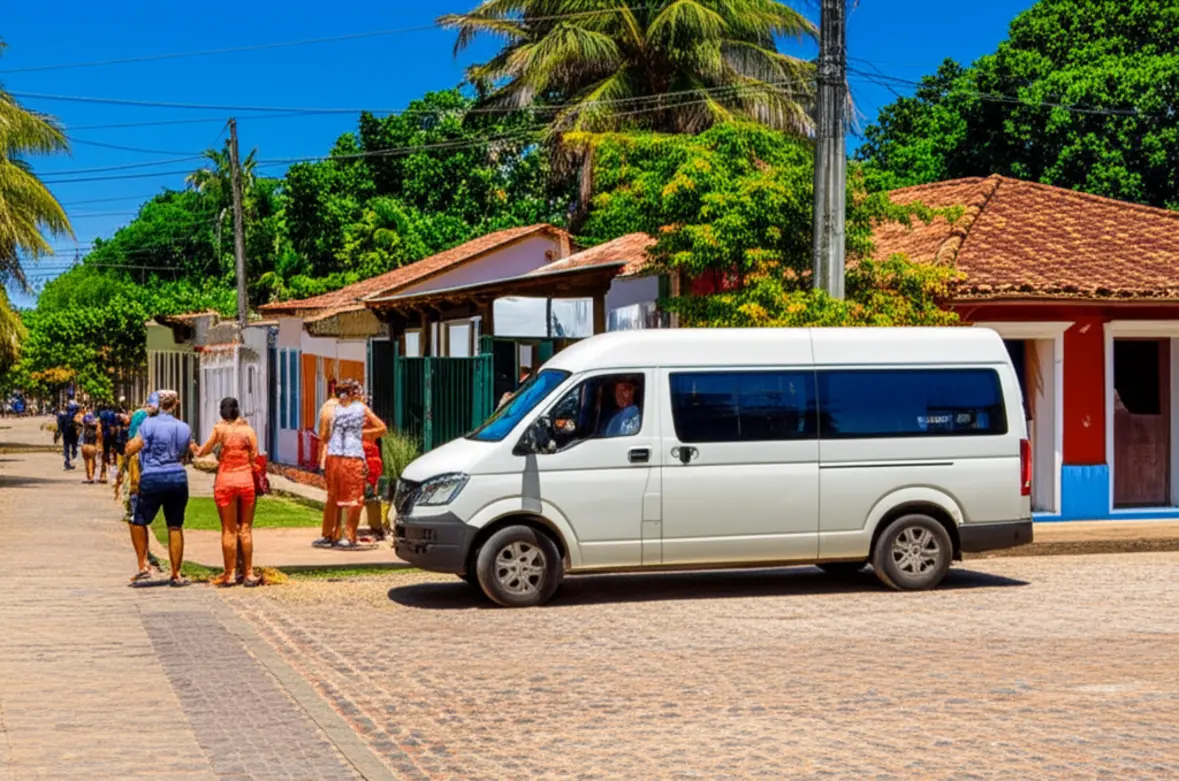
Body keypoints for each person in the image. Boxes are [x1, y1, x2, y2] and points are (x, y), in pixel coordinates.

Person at [124, 390, 194, 587]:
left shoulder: (148, 424)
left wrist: (128, 449)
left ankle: (143, 565)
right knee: (175, 525)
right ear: (176, 404)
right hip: (177, 476)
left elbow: (133, 447)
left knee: (138, 520)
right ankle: (176, 573)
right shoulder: (184, 427)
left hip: (152, 476)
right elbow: (188, 452)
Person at [194, 397, 262, 587]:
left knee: (228, 529)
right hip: (245, 480)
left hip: (225, 481)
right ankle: (249, 572)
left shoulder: (219, 429)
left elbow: (203, 451)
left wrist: (195, 448)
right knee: (246, 529)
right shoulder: (248, 431)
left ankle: (230, 573)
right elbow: (255, 455)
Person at [313, 379, 387, 549]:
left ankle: (329, 535)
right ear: (353, 394)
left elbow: (323, 436)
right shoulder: (361, 409)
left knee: (333, 497)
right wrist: (360, 434)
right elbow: (382, 428)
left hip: (334, 456)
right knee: (354, 498)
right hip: (353, 456)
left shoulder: (329, 408)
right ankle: (348, 536)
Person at [98, 402, 120, 484]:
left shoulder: (102, 414)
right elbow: (116, 425)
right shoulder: (113, 414)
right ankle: (115, 471)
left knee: (105, 452)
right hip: (113, 436)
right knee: (115, 452)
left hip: (105, 435)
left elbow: (100, 424)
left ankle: (103, 473)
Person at [79, 410, 103, 484]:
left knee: (86, 462)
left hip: (84, 446)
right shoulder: (96, 426)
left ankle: (88, 477)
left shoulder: (85, 426)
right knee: (92, 462)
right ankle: (91, 477)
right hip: (92, 446)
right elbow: (99, 434)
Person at [57, 401, 79, 471]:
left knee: (66, 449)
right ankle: (72, 462)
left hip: (66, 434)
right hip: (73, 434)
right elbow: (79, 425)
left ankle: (67, 463)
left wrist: (60, 432)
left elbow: (60, 425)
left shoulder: (62, 415)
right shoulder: (75, 415)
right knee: (74, 449)